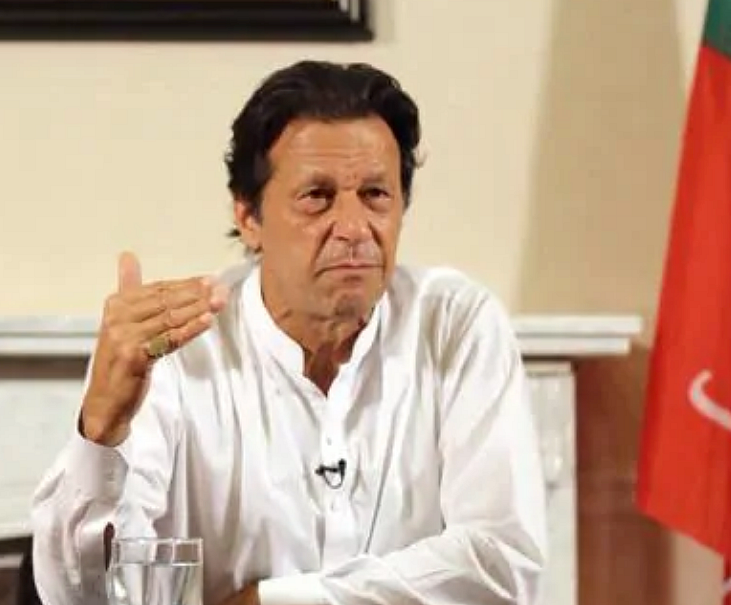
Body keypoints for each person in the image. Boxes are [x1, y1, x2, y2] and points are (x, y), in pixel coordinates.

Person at [29, 60, 548, 605]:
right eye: (317, 197)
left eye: (376, 194)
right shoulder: (175, 345)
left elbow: (504, 564)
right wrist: (101, 432)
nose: (354, 229)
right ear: (248, 217)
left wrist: (271, 603)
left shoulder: (455, 324)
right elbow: (83, 598)